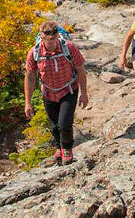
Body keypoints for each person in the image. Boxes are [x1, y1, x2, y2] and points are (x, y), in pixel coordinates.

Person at [25, 20, 89, 165]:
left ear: (58, 36)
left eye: (54, 39)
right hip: (48, 92)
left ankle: (67, 148)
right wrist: (28, 103)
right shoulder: (34, 53)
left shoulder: (69, 48)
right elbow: (30, 77)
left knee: (64, 123)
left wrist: (84, 93)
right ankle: (58, 147)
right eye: (49, 40)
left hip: (69, 89)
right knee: (54, 125)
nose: (52, 43)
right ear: (42, 37)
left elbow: (80, 69)